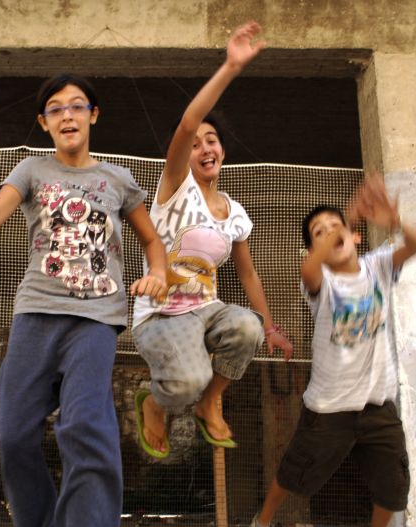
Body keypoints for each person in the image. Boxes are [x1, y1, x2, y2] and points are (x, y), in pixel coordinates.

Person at [0, 74, 167, 527]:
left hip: (95, 319)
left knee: (85, 428)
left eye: (77, 105)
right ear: (44, 122)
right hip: (35, 314)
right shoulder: (31, 169)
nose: (67, 114)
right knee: (13, 433)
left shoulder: (118, 179)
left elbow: (152, 242)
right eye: (55, 108)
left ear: (94, 115)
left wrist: (158, 271)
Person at [244, 174, 416, 527]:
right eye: (319, 232)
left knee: (393, 485)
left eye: (336, 228)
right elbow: (309, 265)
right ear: (315, 249)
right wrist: (345, 216)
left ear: (356, 238)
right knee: (293, 476)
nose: (330, 234)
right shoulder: (320, 282)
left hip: (377, 403)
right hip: (329, 407)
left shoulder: (378, 265)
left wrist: (395, 220)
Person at [132, 21, 293, 459]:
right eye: (196, 143)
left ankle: (210, 402)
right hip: (162, 316)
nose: (205, 148)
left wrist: (270, 327)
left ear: (222, 149)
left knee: (247, 327)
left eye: (213, 140)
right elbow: (188, 123)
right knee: (188, 380)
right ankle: (154, 403)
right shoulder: (174, 187)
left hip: (207, 310)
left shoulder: (235, 212)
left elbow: (247, 274)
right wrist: (230, 67)